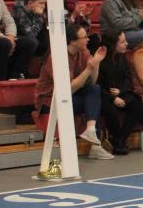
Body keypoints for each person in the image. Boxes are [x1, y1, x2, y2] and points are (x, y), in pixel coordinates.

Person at [33, 23, 114, 159]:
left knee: (94, 89)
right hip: (50, 100)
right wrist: (88, 69)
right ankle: (95, 144)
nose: (88, 39)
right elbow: (68, 89)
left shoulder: (84, 52)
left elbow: (93, 81)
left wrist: (96, 62)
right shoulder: (57, 57)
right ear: (73, 42)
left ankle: (91, 131)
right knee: (92, 100)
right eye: (84, 37)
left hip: (71, 95)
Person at [97, 30, 143, 155]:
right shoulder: (100, 59)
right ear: (113, 44)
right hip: (103, 95)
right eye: (123, 42)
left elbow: (127, 78)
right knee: (111, 111)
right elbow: (97, 85)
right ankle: (118, 139)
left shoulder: (121, 57)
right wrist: (113, 98)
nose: (127, 44)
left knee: (137, 105)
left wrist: (120, 91)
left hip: (120, 92)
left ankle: (120, 139)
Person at [10, 0, 47, 79]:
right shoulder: (19, 12)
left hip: (30, 40)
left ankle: (47, 72)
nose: (43, 6)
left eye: (44, 3)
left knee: (48, 38)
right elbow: (31, 34)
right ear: (30, 3)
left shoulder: (36, 12)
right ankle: (17, 74)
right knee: (32, 42)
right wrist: (38, 17)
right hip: (17, 39)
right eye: (41, 3)